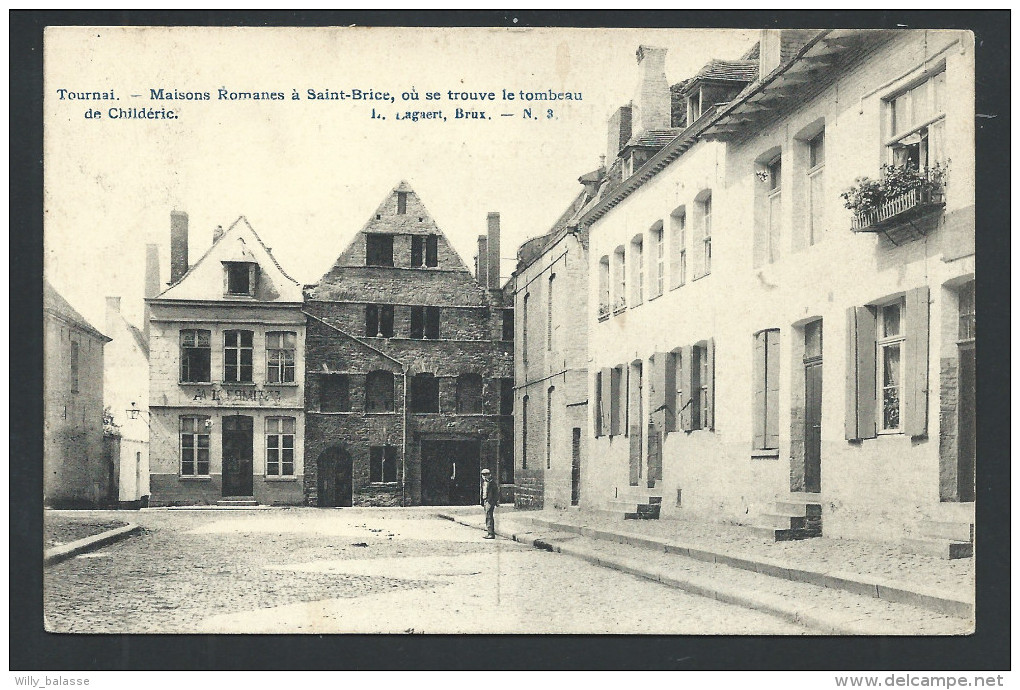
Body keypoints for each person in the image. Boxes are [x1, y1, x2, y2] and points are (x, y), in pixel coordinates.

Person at [480, 468, 498, 539]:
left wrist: (494, 502)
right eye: (483, 474)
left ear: (489, 475)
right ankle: (489, 532)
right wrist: (482, 500)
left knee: (489, 516)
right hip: (485, 501)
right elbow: (483, 492)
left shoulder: (492, 483)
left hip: (489, 501)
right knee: (487, 516)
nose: (484, 476)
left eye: (486, 474)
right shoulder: (484, 483)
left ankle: (491, 533)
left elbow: (496, 494)